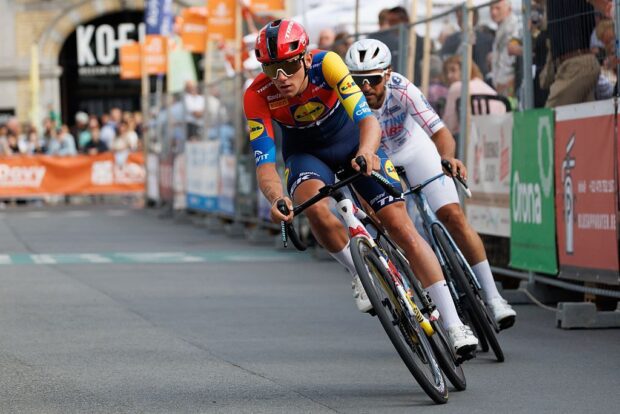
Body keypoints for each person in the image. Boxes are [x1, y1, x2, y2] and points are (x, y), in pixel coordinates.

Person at [244, 19, 478, 356]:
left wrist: (367, 151)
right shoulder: (256, 95)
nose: (281, 77)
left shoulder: (329, 65)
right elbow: (265, 163)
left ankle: (456, 327)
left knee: (400, 226)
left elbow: (367, 119)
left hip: (354, 143)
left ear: (306, 59)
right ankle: (361, 273)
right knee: (313, 207)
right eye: (271, 68)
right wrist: (276, 196)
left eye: (289, 65)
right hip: (307, 156)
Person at [345, 39, 517, 330]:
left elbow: (439, 132)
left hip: (414, 150)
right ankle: (430, 298)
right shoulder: (346, 102)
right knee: (398, 231)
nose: (365, 88)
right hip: (379, 161)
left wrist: (447, 157)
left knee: (453, 216)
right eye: (357, 80)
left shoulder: (402, 88)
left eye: (372, 80)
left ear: (387, 75)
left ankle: (494, 297)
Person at [544, 0, 608, 107]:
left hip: (576, 64)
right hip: (578, 63)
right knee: (584, 120)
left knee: (549, 118)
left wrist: (610, 10)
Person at [442, 55, 506, 135]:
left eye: (453, 70)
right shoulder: (486, 88)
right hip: (497, 136)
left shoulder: (456, 87)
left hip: (472, 139)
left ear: (465, 70)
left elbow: (451, 125)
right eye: (447, 72)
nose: (449, 76)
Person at [440, 8, 494, 76]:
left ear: (475, 17)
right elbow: (445, 59)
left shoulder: (487, 39)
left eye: (463, 17)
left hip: (481, 78)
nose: (461, 20)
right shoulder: (451, 40)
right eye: (459, 17)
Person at [490, 0, 521, 97]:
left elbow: (511, 57)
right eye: (491, 8)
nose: (493, 12)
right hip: (501, 84)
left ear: (509, 9)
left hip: (510, 85)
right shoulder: (502, 26)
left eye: (497, 8)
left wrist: (507, 82)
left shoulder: (514, 25)